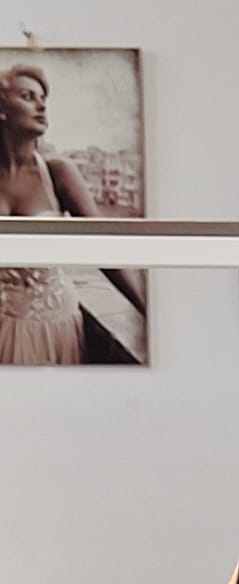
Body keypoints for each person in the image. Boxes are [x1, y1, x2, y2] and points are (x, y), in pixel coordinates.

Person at [0, 61, 145, 364]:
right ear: (2, 108)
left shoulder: (58, 172)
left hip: (55, 326)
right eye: (28, 97)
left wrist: (149, 310)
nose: (41, 106)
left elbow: (102, 248)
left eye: (43, 98)